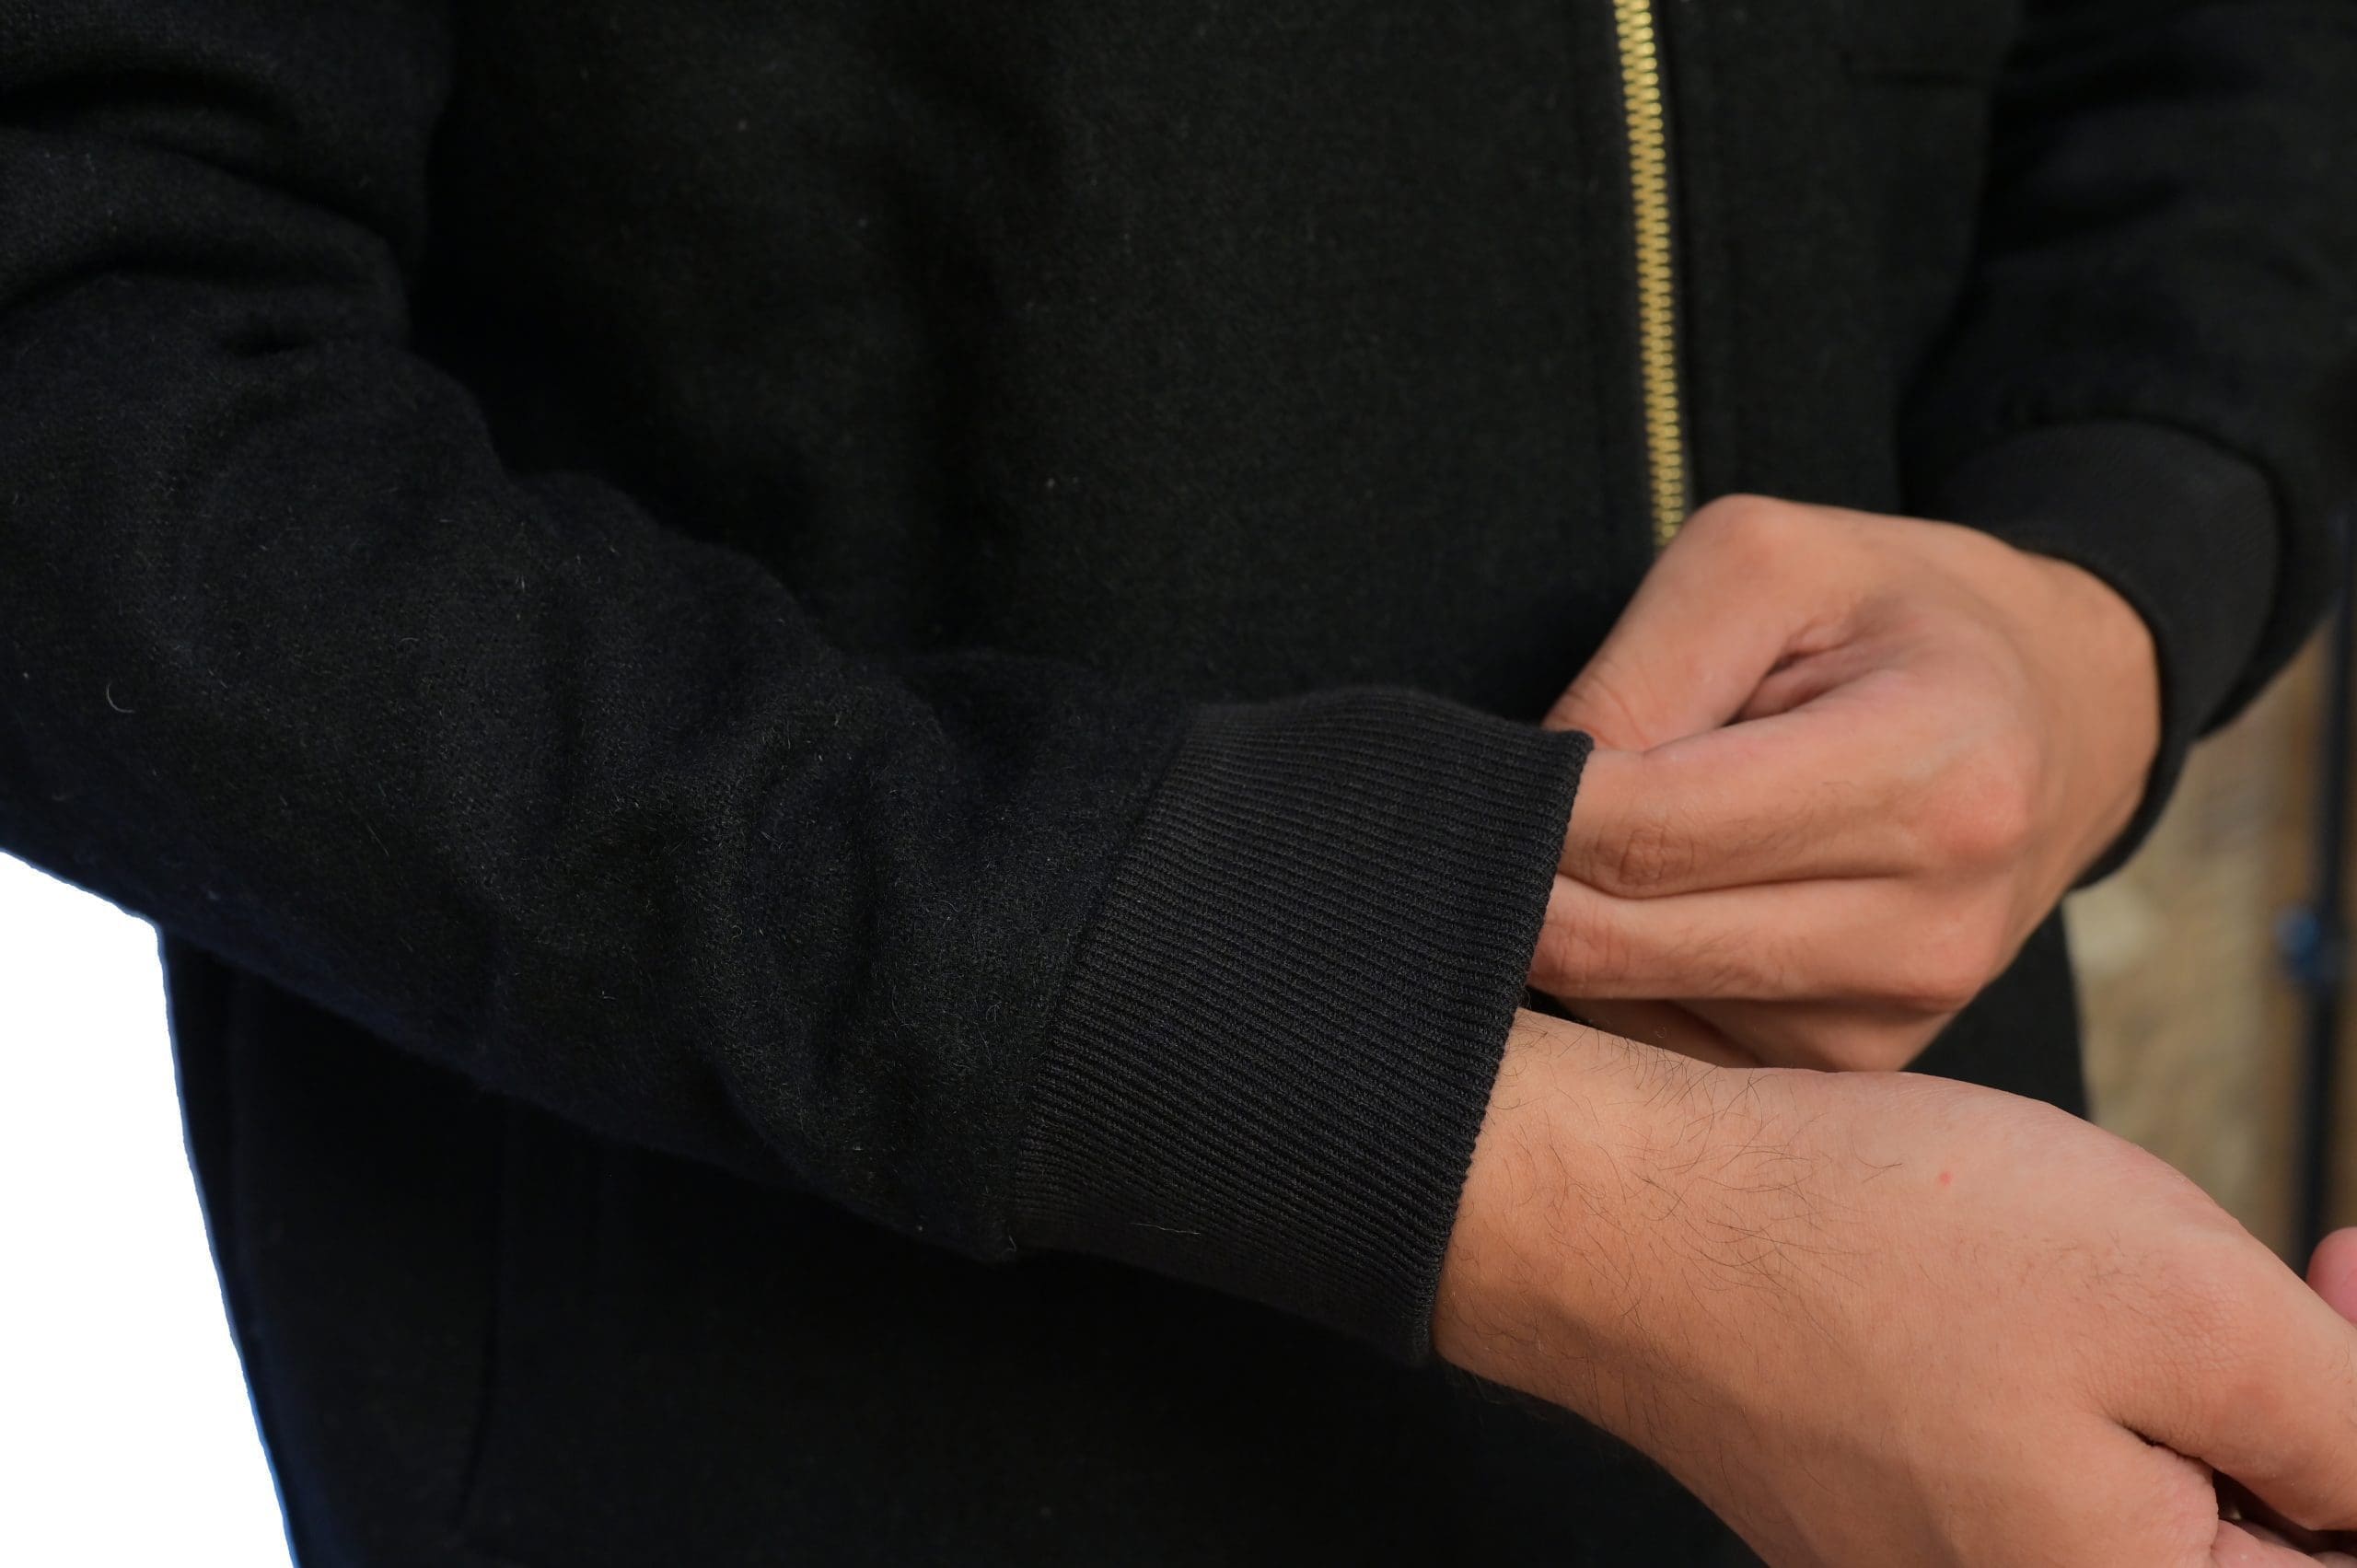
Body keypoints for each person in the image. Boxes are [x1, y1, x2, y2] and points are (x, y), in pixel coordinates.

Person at [2, 1, 2353, 1563]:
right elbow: (75, 370)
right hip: (793, 1416)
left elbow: (2228, 56)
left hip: (1937, 1357)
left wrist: (2111, 570)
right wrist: (1430, 1130)